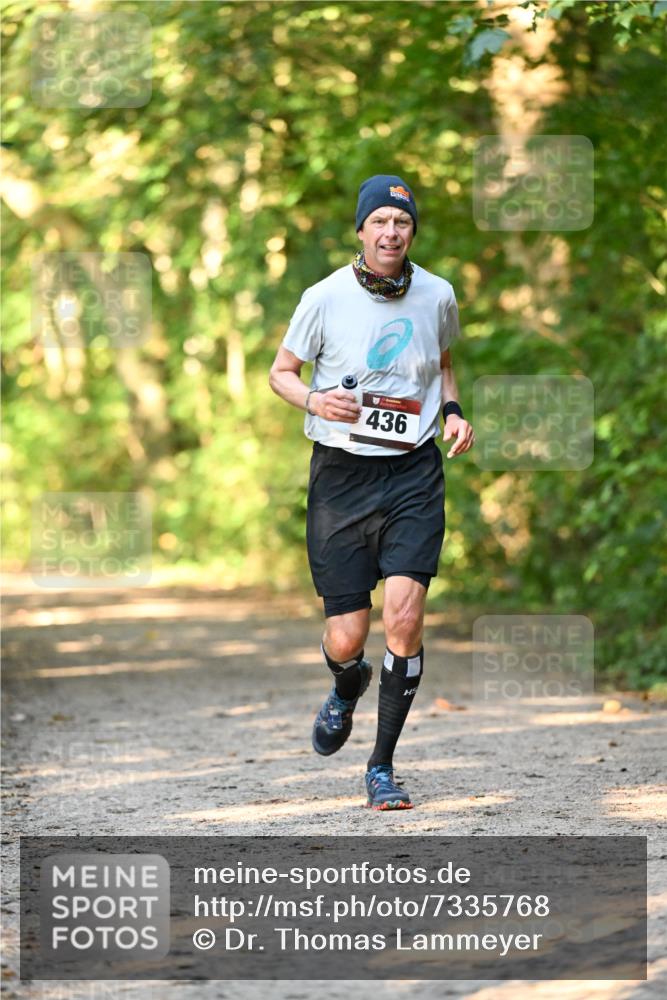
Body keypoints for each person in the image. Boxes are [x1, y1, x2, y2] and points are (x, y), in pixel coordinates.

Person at [269, 174, 474, 810]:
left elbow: (442, 364)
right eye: (380, 222)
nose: (391, 232)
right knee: (347, 638)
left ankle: (381, 767)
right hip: (342, 476)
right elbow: (281, 373)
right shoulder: (324, 296)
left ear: (413, 233)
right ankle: (344, 685)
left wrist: (454, 410)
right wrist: (313, 399)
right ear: (361, 231)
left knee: (405, 617)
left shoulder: (437, 294)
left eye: (403, 223)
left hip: (413, 471)